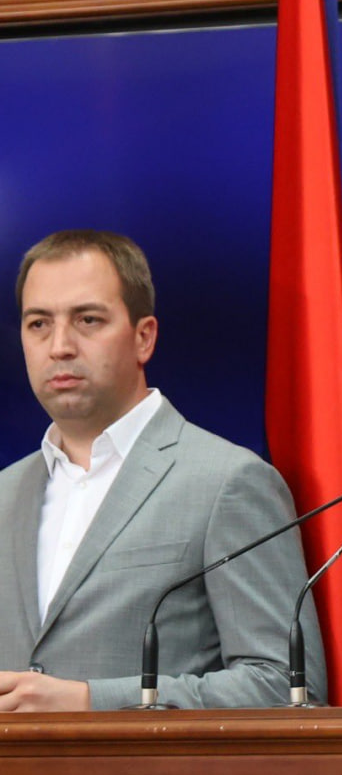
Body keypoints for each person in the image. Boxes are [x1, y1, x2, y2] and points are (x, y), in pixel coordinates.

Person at [0, 230, 324, 710]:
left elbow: (288, 688)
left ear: (144, 337)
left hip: (149, 764)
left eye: (88, 319)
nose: (59, 346)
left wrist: (92, 700)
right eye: (38, 324)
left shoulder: (228, 482)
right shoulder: (5, 493)